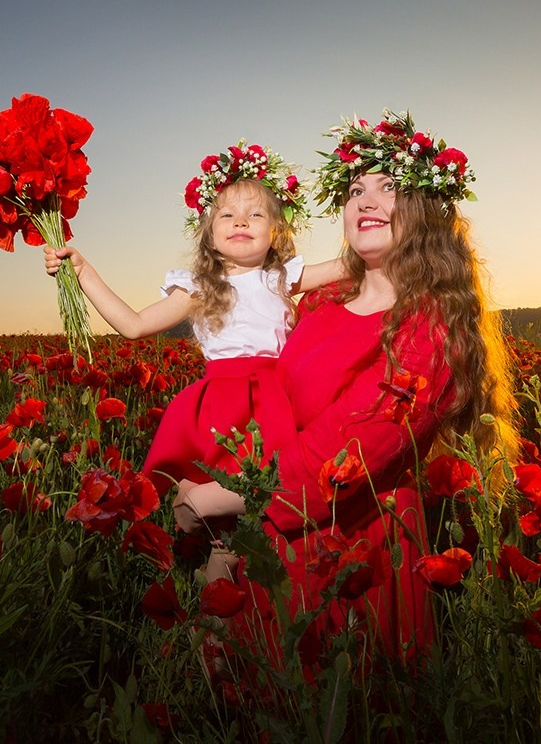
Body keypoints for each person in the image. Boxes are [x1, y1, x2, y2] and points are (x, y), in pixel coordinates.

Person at [173, 111, 521, 667]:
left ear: (428, 211)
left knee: (338, 700)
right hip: (264, 538)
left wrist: (216, 496)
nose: (365, 200)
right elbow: (260, 397)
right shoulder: (318, 305)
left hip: (355, 551)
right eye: (355, 189)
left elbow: (351, 446)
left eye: (389, 187)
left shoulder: (431, 328)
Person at [44, 142, 345, 498]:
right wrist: (84, 273)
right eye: (227, 215)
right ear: (210, 235)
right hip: (222, 404)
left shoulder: (281, 277)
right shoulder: (198, 288)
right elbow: (133, 325)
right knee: (225, 499)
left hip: (275, 401)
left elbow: (349, 265)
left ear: (276, 231)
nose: (241, 221)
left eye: (256, 215)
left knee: (269, 494)